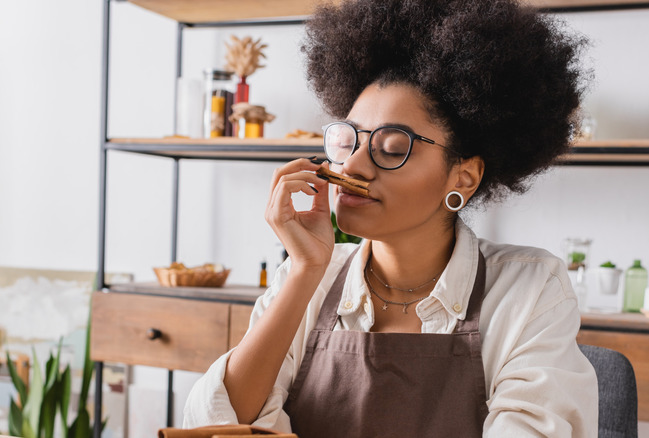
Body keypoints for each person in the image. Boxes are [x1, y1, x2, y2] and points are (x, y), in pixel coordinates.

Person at [184, 0, 598, 436]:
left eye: (393, 147)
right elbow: (217, 425)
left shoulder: (529, 290)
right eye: (348, 140)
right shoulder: (310, 279)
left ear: (464, 176)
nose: (354, 167)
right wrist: (306, 270)